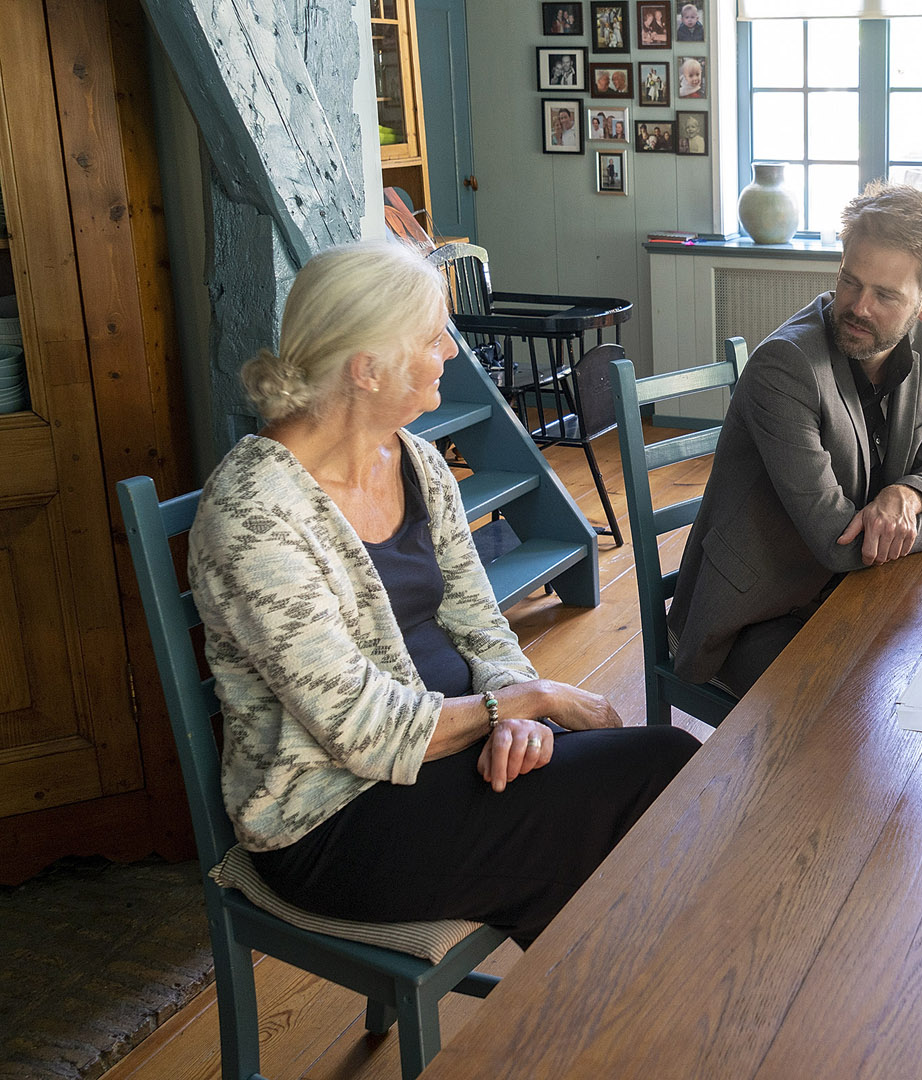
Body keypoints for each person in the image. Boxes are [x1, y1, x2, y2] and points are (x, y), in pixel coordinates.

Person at [189, 242, 700, 944]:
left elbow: (477, 620)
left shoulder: (414, 459)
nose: (452, 354)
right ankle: (616, 1002)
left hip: (456, 750)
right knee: (650, 784)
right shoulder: (254, 513)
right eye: (434, 338)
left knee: (634, 795)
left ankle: (602, 1001)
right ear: (368, 369)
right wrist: (526, 702)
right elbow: (362, 733)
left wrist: (511, 709)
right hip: (336, 818)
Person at [668, 181, 922, 694]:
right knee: (868, 707)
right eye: (849, 281)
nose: (858, 307)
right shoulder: (784, 367)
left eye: (884, 295)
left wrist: (901, 493)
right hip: (756, 614)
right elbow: (839, 544)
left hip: (853, 588)